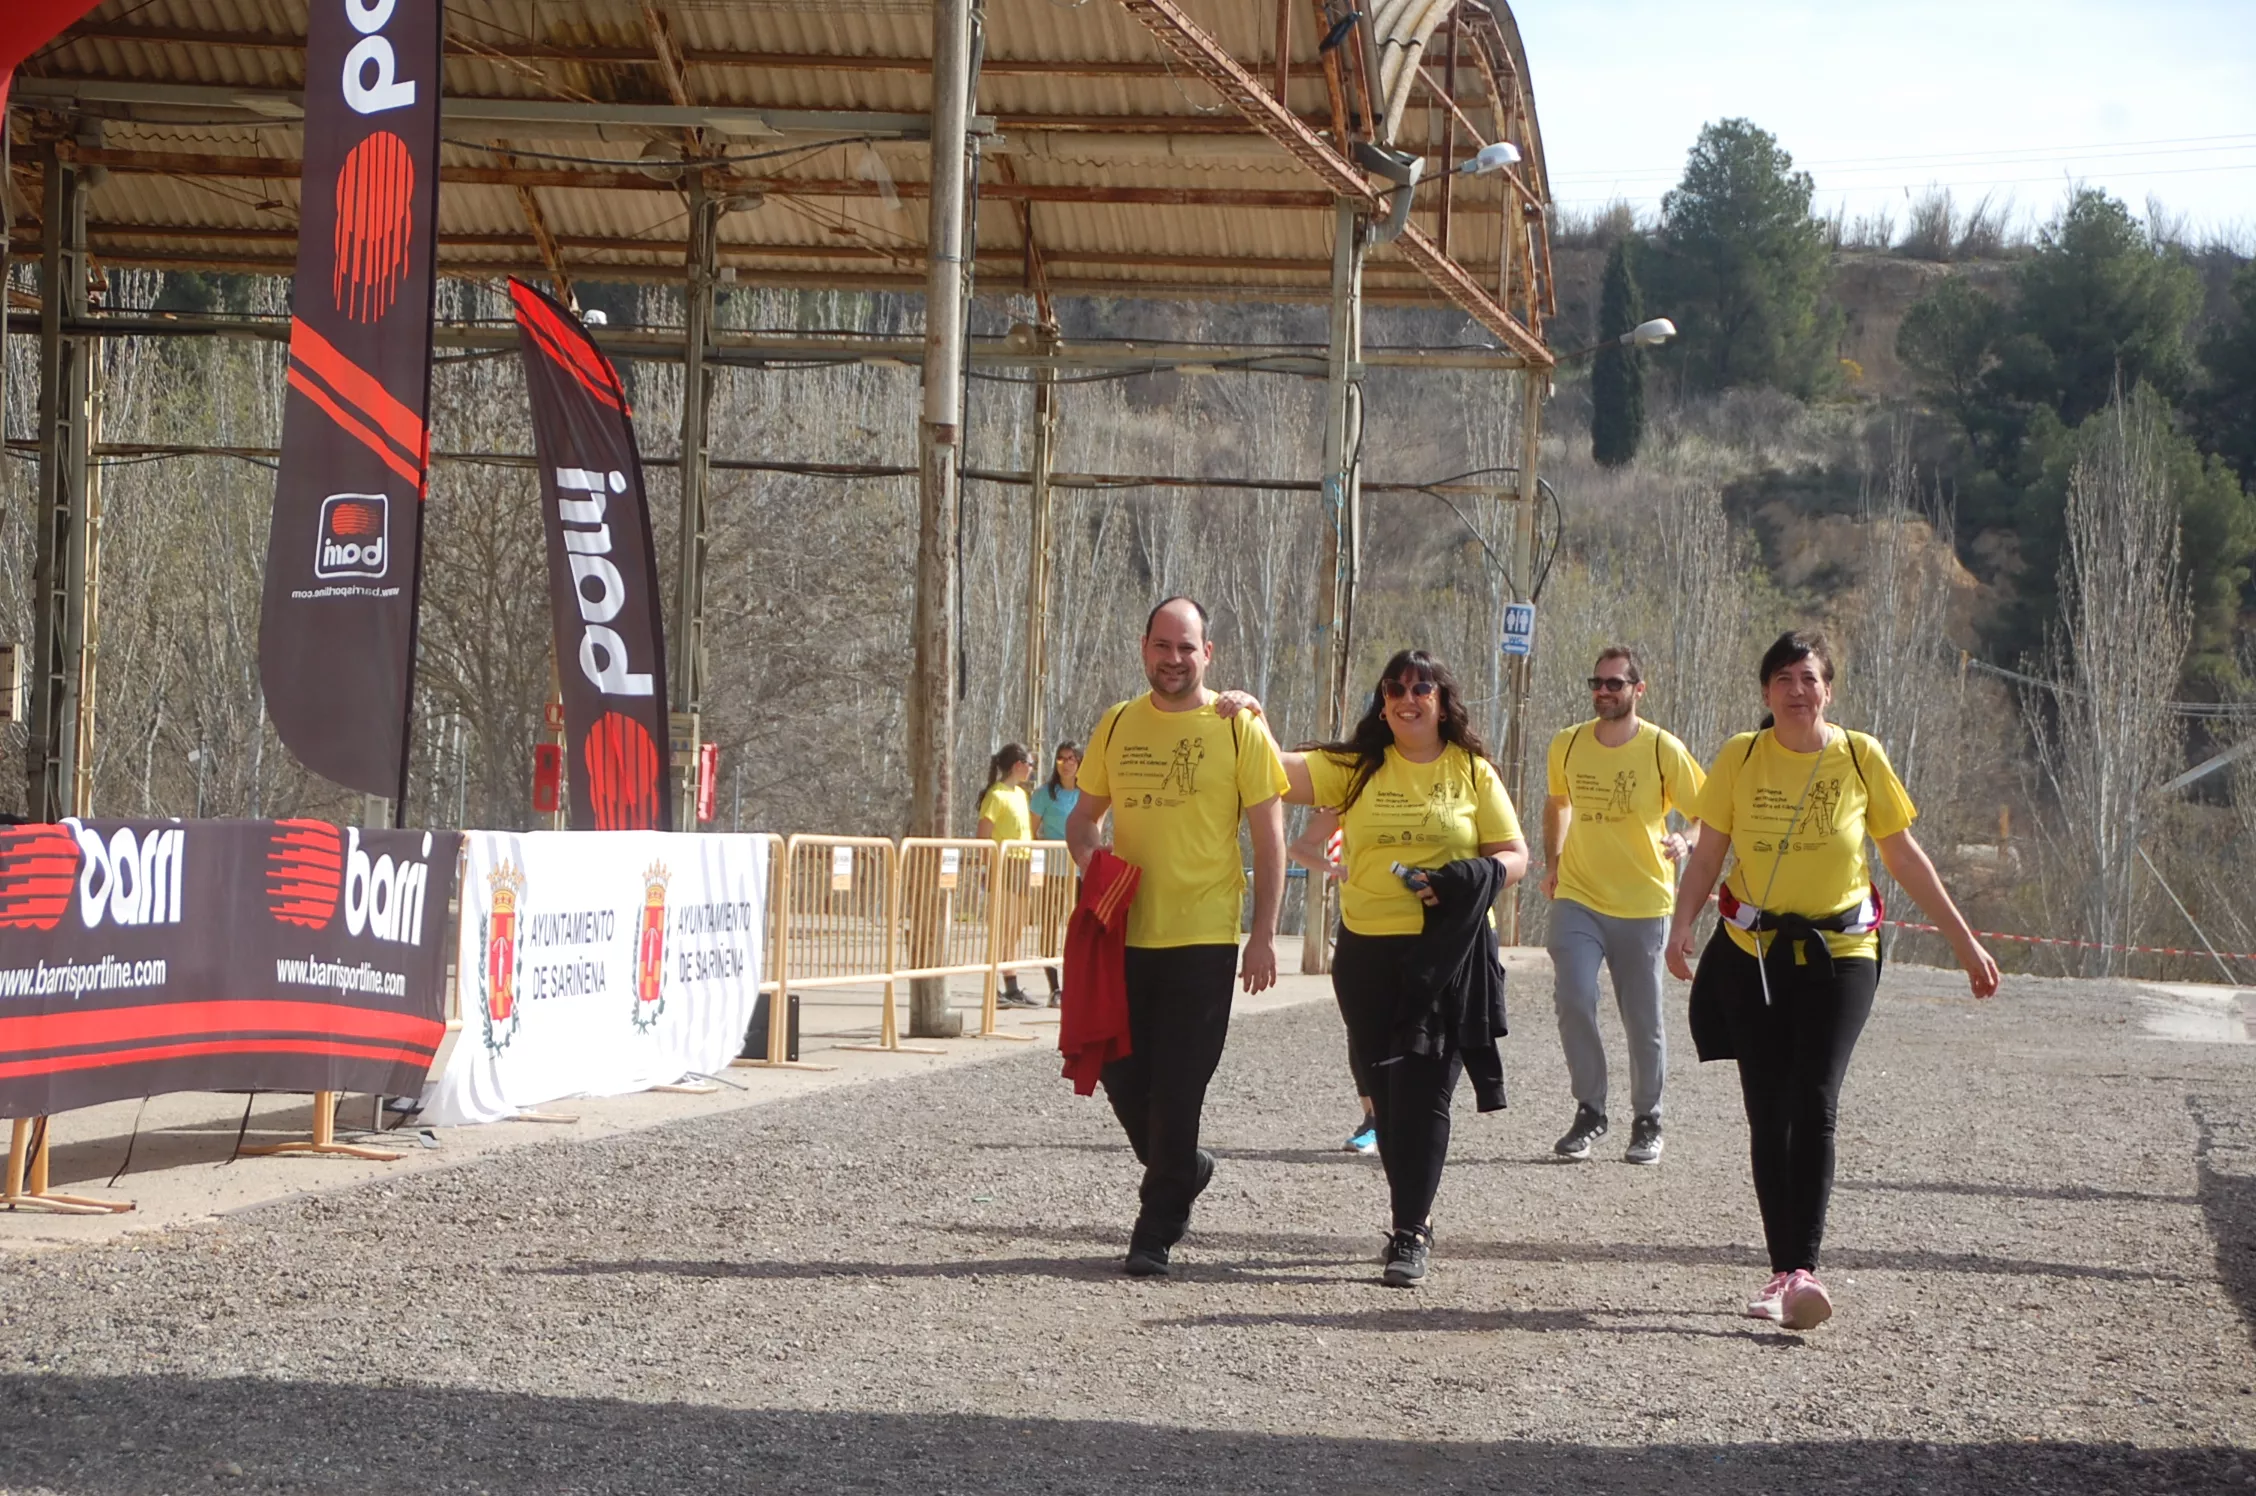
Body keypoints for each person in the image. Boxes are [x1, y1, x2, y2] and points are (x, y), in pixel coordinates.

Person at [1666, 630, 2000, 1331]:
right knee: (1767, 1106)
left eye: (1809, 678)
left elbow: (1905, 859)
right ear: (1765, 692)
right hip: (1752, 951)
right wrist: (1680, 925)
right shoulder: (1740, 757)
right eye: (1783, 677)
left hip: (1842, 951)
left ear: (1829, 689)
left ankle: (1803, 1268)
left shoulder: (1859, 756)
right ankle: (1781, 1270)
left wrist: (1966, 944)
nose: (1797, 690)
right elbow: (1707, 855)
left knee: (1814, 1098)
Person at [1277, 649, 1528, 1287]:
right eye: (1394, 688)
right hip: (1366, 955)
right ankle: (1410, 1211)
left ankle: (1409, 1228)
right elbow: (1268, 769)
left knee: (1424, 1093)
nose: (1406, 698)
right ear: (1382, 700)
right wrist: (1245, 713)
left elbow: (1515, 854)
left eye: (1420, 687)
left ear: (1442, 700)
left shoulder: (1471, 770)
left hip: (1448, 958)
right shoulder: (1356, 768)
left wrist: (1469, 878)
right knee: (1385, 1093)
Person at [1066, 597, 1288, 1278]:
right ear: (1144, 648)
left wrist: (1263, 936)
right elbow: (1083, 820)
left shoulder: (1237, 728)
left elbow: (1270, 837)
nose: (1173, 660)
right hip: (1126, 934)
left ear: (1207, 653)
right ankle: (1184, 1167)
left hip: (1204, 937)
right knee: (1123, 1076)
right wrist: (1093, 867)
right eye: (1163, 646)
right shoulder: (1117, 724)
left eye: (1187, 647)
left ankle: (1156, 1227)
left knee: (1181, 1086)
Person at [1540, 646, 1705, 1166]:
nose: (1604, 692)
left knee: (1642, 1018)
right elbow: (1557, 803)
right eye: (1597, 683)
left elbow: (1707, 815)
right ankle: (1590, 1111)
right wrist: (1554, 861)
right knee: (1573, 999)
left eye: (1615, 683)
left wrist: (1686, 840)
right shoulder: (1567, 744)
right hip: (1579, 897)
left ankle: (1647, 1120)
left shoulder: (1662, 749)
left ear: (1638, 689)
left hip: (1642, 902)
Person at [1287, 812, 1377, 1155]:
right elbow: (1299, 848)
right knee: (1359, 1025)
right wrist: (1335, 868)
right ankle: (1373, 1119)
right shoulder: (1351, 795)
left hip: (1418, 924)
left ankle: (1411, 1118)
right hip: (1359, 926)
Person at [977, 743, 1041, 1008]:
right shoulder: (997, 795)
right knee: (1001, 928)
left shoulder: (1020, 795)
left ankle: (1011, 987)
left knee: (1015, 928)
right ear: (1017, 765)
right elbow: (983, 834)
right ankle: (991, 987)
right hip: (1003, 864)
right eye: (1029, 763)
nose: (1031, 769)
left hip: (1022, 864)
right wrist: (985, 868)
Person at [1027, 742, 1083, 1007]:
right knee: (1050, 927)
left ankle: (1078, 984)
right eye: (1062, 759)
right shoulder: (1045, 795)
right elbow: (1031, 832)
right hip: (1053, 870)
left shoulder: (1088, 794)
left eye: (1072, 758)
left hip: (1079, 871)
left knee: (1080, 929)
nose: (1067, 763)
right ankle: (1055, 987)